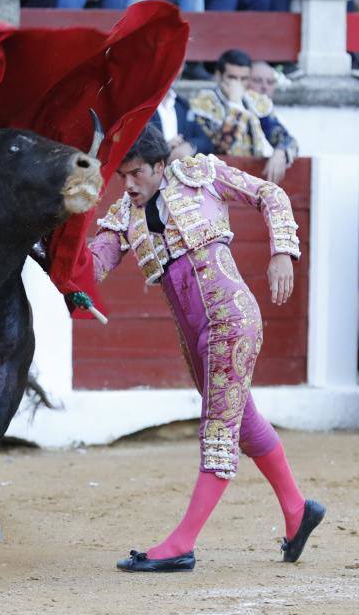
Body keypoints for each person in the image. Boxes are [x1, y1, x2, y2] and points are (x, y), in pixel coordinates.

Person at [87, 125, 325, 573]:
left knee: (218, 429)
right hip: (195, 335)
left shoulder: (201, 175)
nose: (129, 183)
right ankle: (297, 510)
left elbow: (270, 194)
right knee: (246, 422)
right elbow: (94, 264)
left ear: (160, 167)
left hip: (231, 318)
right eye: (123, 175)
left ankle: (182, 542)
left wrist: (281, 253)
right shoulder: (123, 215)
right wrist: (52, 258)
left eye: (136, 173)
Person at [190, 48, 297, 184]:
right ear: (218, 76)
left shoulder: (255, 102)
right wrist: (235, 105)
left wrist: (280, 151)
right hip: (216, 181)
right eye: (232, 78)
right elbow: (221, 148)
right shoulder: (204, 103)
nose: (237, 84)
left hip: (250, 179)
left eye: (243, 79)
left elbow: (285, 138)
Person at [149, 85, 215, 161]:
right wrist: (163, 149)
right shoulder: (141, 104)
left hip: (181, 168)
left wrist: (190, 146)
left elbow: (205, 141)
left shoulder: (182, 105)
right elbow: (135, 145)